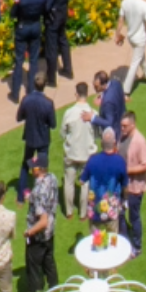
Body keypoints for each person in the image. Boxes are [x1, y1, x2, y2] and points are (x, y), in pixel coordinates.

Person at [23, 152, 59, 292]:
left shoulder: (38, 191)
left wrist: (29, 232)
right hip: (50, 234)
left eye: (34, 167)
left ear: (39, 169)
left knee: (34, 271)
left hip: (37, 237)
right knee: (49, 264)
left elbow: (42, 221)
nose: (32, 169)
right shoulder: (52, 178)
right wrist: (31, 198)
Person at [16, 72, 56, 199]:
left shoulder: (26, 99)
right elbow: (53, 124)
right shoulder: (48, 103)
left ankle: (21, 196)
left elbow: (19, 117)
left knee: (25, 165)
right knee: (43, 167)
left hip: (30, 137)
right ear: (45, 85)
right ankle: (43, 195)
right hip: (43, 139)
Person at [10, 0, 48, 100]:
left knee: (19, 60)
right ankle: (32, 89)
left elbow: (13, 13)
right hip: (36, 26)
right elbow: (46, 10)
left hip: (23, 27)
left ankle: (15, 93)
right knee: (34, 60)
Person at [59, 81, 95, 218]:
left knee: (68, 182)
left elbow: (62, 133)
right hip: (87, 154)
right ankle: (83, 213)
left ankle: (69, 212)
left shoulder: (69, 113)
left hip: (71, 153)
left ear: (76, 94)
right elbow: (97, 134)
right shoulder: (93, 113)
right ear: (87, 94)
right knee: (85, 184)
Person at [81, 127, 127, 231]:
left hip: (94, 211)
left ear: (101, 143)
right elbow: (125, 186)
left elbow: (81, 180)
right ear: (114, 142)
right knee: (112, 242)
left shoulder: (92, 160)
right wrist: (125, 201)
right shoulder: (120, 161)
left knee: (95, 241)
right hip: (112, 211)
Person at [115, 0, 146, 94]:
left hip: (131, 37)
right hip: (140, 38)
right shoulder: (144, 5)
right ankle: (126, 90)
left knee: (140, 56)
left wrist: (117, 34)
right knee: (135, 63)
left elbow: (121, 20)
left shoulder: (125, 2)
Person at [121, 111, 146, 252]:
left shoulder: (140, 141)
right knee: (119, 212)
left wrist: (128, 170)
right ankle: (124, 239)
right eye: (121, 125)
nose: (122, 128)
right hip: (122, 184)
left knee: (134, 217)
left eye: (125, 126)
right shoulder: (123, 137)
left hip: (135, 187)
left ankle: (137, 246)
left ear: (133, 125)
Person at [43, 0, 73, 84]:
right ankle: (67, 69)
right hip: (63, 13)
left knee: (52, 47)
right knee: (63, 41)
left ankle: (51, 78)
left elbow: (47, 4)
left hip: (53, 17)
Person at [92, 66, 126, 144]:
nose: (95, 88)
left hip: (115, 133)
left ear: (103, 85)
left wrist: (93, 118)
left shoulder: (108, 102)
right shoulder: (115, 83)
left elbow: (109, 122)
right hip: (121, 117)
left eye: (97, 86)